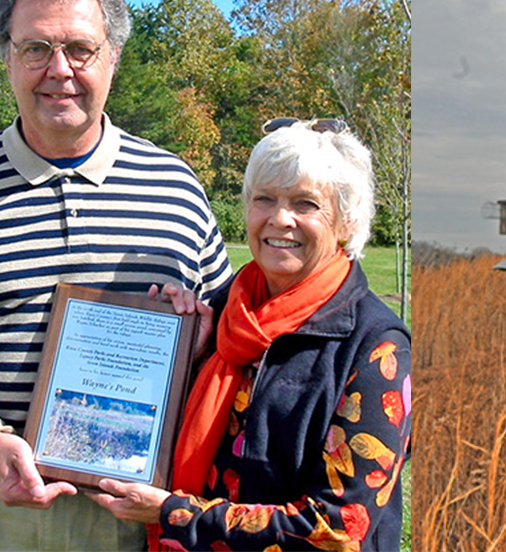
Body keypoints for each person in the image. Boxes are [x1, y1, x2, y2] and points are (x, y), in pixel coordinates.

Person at [0, 0, 232, 550]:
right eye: (35, 48)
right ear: (6, 56)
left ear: (113, 56)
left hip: (128, 520)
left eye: (80, 49)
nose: (58, 70)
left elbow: (230, 351)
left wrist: (203, 341)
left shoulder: (176, 191)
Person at [90, 121, 412, 551]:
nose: (280, 219)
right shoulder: (225, 312)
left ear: (345, 223)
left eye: (306, 204)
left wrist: (174, 514)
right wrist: (182, 355)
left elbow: (339, 527)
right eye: (264, 199)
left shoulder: (376, 346)